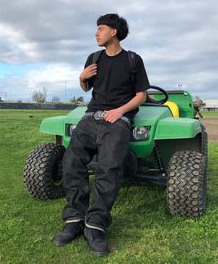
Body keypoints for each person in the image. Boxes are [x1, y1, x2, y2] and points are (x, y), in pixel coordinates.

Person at [53, 13, 150, 256]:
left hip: (118, 120)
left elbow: (141, 95)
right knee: (71, 162)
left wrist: (120, 111)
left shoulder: (133, 60)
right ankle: (74, 220)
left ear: (114, 31)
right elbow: (87, 88)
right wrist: (81, 79)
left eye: (100, 28)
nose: (96, 33)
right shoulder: (93, 57)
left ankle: (95, 225)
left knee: (109, 167)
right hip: (91, 117)